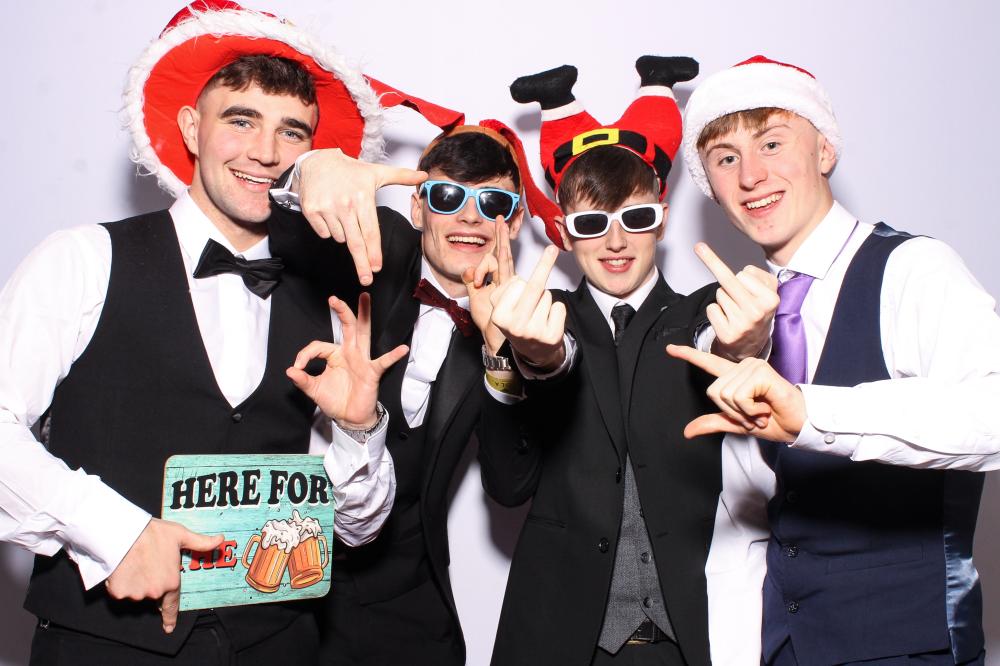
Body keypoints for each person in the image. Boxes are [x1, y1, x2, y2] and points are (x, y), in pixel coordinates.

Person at [0, 2, 443, 662]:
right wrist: (115, 532)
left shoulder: (329, 303)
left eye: (292, 132)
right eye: (241, 120)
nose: (265, 152)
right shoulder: (83, 259)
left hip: (280, 645)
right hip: (104, 645)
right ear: (191, 127)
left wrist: (358, 430)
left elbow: (356, 529)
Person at [669, 55, 1000, 665]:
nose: (751, 175)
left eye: (772, 143)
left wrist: (810, 412)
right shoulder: (738, 316)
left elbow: (991, 412)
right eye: (726, 158)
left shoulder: (913, 268)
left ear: (824, 150)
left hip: (910, 646)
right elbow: (747, 515)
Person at [473, 57, 778, 666]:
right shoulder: (539, 316)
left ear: (660, 222)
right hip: (560, 640)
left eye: (635, 218)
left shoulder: (705, 310)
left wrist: (744, 346)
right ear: (563, 234)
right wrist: (506, 353)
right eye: (592, 223)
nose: (616, 242)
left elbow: (716, 345)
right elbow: (507, 487)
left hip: (689, 637)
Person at [276, 124, 531, 665]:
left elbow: (510, 486)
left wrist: (500, 351)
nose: (470, 217)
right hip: (275, 573)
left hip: (404, 596)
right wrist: (310, 168)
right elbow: (277, 213)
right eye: (447, 197)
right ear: (417, 209)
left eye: (492, 203)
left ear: (513, 222)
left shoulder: (526, 330)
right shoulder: (376, 244)